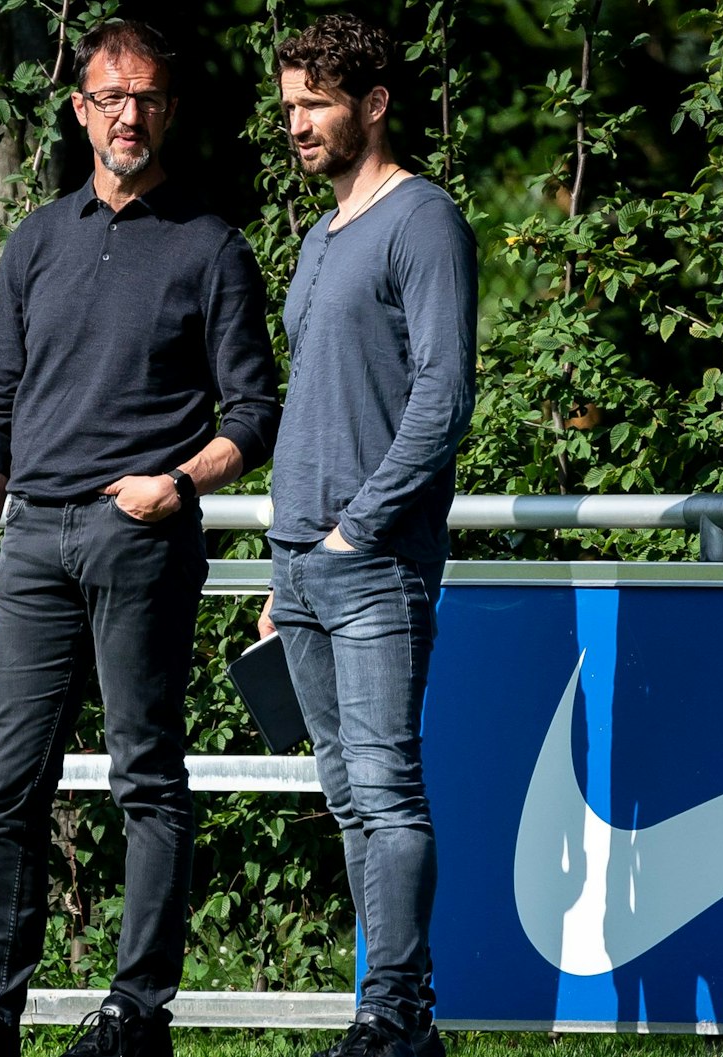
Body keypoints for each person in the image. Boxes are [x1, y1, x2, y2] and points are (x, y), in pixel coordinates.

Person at [0, 19, 279, 1057]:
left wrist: (176, 484)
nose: (130, 115)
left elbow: (255, 414)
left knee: (147, 778)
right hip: (32, 539)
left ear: (169, 111)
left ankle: (135, 1015)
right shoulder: (36, 240)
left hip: (141, 536)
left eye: (148, 97)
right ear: (79, 108)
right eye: (111, 97)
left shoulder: (212, 246)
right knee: (10, 786)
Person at [258, 13, 476, 1057]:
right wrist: (290, 566)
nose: (297, 123)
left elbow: (443, 394)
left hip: (373, 560)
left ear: (374, 104)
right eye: (289, 106)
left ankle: (394, 1012)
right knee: (347, 798)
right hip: (300, 562)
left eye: (316, 104)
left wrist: (357, 530)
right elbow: (316, 401)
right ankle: (390, 1018)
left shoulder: (422, 220)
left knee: (385, 791)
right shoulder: (319, 236)